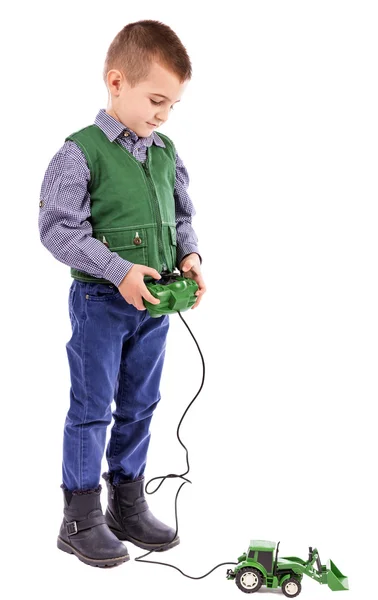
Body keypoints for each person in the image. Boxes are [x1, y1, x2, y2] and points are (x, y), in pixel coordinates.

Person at [38, 19, 206, 568]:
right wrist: (117, 271)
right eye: (156, 99)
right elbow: (57, 231)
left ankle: (126, 504)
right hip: (101, 306)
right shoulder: (79, 152)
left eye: (172, 105)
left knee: (141, 403)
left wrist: (191, 258)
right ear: (116, 82)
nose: (162, 114)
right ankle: (79, 517)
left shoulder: (165, 150)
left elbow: (182, 215)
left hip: (154, 307)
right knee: (91, 408)